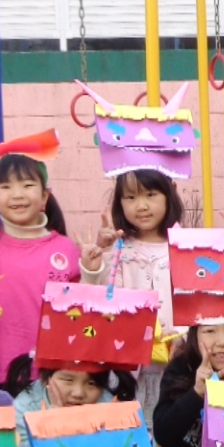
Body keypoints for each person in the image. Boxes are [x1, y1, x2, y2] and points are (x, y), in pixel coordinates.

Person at [0, 135, 79, 392]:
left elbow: (79, 311)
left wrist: (94, 271)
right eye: (6, 186)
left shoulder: (65, 249)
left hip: (50, 375)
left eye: (28, 185)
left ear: (45, 196)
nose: (17, 194)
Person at [80, 169, 183, 417]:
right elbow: (94, 306)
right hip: (128, 371)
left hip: (176, 366)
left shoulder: (184, 248)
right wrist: (92, 268)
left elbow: (196, 303)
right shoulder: (118, 251)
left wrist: (184, 338)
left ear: (170, 194)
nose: (142, 206)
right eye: (131, 197)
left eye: (151, 195)